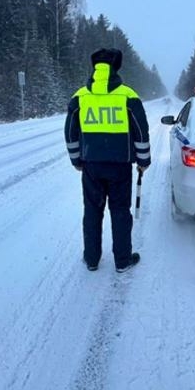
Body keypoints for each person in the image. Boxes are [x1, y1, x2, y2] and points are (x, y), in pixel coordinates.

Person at [64, 48, 151, 272]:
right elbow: (141, 131)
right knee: (120, 212)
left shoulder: (80, 96)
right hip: (120, 167)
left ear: (95, 68)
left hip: (91, 166)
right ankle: (122, 261)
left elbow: (71, 132)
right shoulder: (128, 96)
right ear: (116, 67)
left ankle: (91, 259)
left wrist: (76, 160)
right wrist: (143, 160)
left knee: (92, 211)